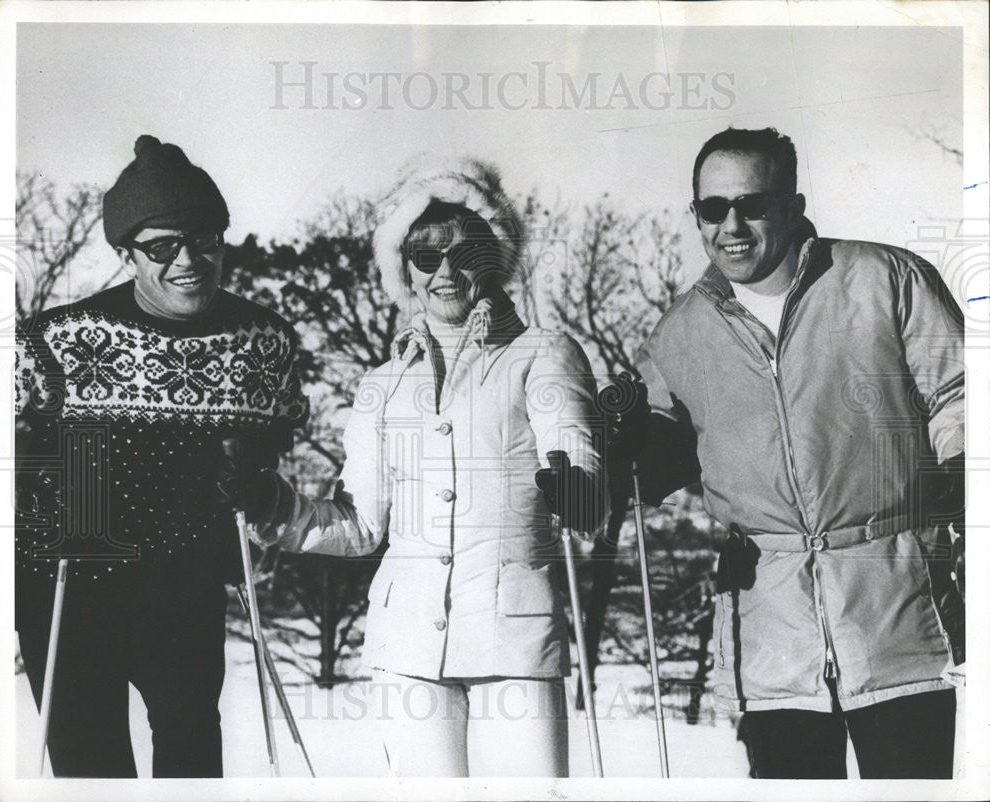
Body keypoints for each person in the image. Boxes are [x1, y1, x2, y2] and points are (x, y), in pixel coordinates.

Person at [219, 158, 607, 777]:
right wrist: (271, 505)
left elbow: (581, 472)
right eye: (427, 257)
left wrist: (575, 486)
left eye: (464, 251)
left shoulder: (541, 354)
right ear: (405, 269)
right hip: (406, 647)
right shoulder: (382, 386)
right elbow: (357, 525)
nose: (446, 271)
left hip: (514, 640)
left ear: (493, 256)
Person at [612, 127, 964, 779]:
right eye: (713, 209)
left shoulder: (883, 279)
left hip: (898, 618)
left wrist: (964, 466)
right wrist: (613, 465)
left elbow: (960, 392)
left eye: (754, 204)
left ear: (794, 206)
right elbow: (659, 450)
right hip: (770, 637)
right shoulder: (680, 331)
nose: (732, 226)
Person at [14, 135, 307, 777]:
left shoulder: (263, 343)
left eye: (204, 240)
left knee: (192, 760)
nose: (188, 262)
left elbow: (278, 438)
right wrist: (36, 475)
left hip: (183, 586)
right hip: (70, 579)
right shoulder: (55, 341)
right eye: (162, 247)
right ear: (126, 254)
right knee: (92, 769)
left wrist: (252, 478)